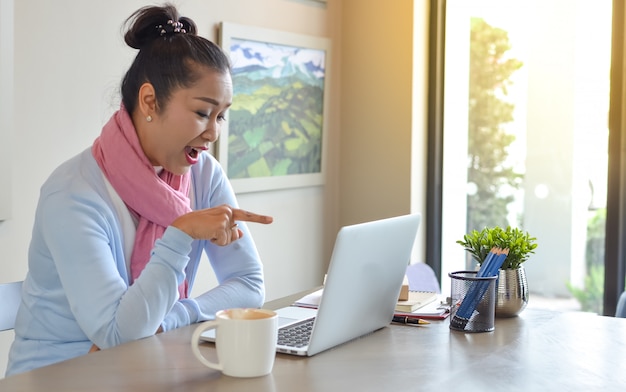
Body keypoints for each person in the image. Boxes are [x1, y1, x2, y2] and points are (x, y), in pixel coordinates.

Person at [6, 3, 273, 376]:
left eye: (221, 115)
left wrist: (173, 317)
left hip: (149, 364)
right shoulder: (72, 194)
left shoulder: (203, 176)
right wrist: (180, 234)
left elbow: (249, 284)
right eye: (202, 112)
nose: (213, 133)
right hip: (60, 375)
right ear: (149, 101)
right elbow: (119, 335)